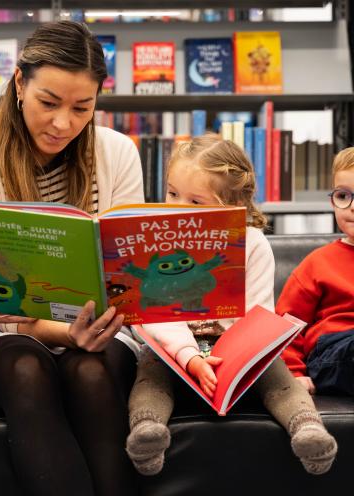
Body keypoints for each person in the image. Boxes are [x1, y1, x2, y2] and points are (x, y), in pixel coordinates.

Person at [0, 21, 144, 496]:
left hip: (107, 335)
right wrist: (63, 333)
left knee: (88, 369)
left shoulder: (118, 153)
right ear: (20, 84)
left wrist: (99, 326)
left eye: (82, 107)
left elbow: (129, 276)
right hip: (9, 336)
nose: (63, 123)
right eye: (49, 102)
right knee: (26, 367)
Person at [126, 133, 338, 477]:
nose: (179, 207)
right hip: (175, 351)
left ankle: (307, 428)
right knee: (150, 371)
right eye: (172, 193)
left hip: (232, 351)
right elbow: (154, 316)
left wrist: (232, 358)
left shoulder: (252, 244)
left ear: (232, 205)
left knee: (277, 373)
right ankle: (147, 432)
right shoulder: (157, 242)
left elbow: (257, 316)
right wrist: (189, 356)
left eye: (196, 201)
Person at [277, 147, 354, 396]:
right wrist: (293, 371)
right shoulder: (318, 263)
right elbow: (287, 324)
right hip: (332, 350)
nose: (351, 207)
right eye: (343, 196)